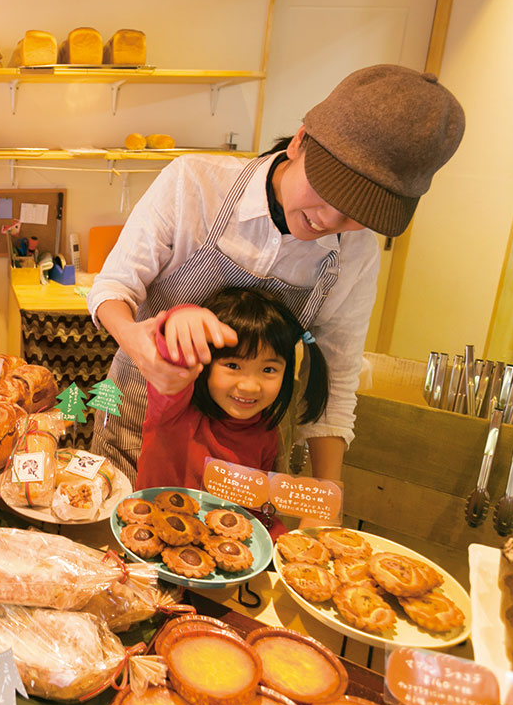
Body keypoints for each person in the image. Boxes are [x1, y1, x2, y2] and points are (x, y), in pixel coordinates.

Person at [89, 64, 465, 483]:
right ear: (300, 141)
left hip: (242, 464)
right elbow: (113, 287)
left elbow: (337, 379)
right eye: (328, 190)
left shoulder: (355, 253)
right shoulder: (194, 184)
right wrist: (135, 342)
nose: (329, 219)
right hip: (133, 430)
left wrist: (326, 494)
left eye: (358, 213)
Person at [137, 288, 328, 531]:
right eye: (233, 365)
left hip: (226, 555)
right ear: (205, 360)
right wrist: (182, 317)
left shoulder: (266, 430)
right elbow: (172, 357)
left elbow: (253, 510)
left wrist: (277, 537)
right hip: (151, 539)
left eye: (268, 370)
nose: (249, 386)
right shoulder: (174, 412)